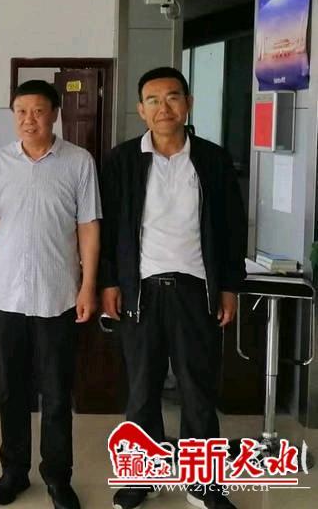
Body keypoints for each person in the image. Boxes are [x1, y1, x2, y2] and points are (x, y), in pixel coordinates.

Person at [0, 80, 100, 509]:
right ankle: (14, 472)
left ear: (55, 114)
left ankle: (57, 476)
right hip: (6, 295)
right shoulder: (0, 162)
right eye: (21, 112)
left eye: (38, 111)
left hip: (58, 296)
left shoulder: (78, 162)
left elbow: (88, 226)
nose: (29, 120)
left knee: (57, 394)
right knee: (11, 392)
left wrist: (88, 285)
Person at [100, 67, 246, 509]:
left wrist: (230, 286)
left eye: (172, 97)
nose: (163, 108)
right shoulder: (122, 160)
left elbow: (232, 227)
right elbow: (108, 227)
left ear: (188, 104)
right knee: (141, 390)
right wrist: (109, 281)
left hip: (196, 290)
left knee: (198, 390)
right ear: (141, 110)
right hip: (140, 290)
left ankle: (203, 482)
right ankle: (142, 477)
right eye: (153, 100)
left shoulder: (212, 160)